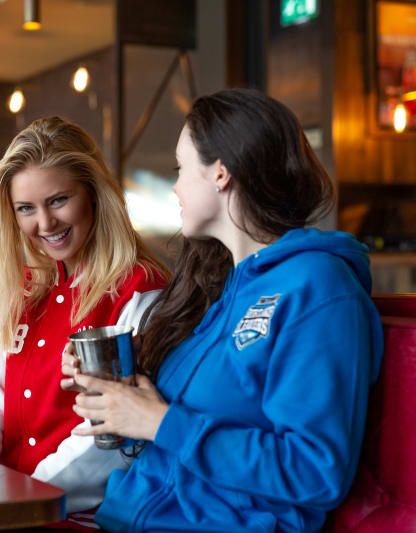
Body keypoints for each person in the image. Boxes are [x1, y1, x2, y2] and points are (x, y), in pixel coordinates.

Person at [66, 89, 385, 532]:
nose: (175, 185)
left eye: (180, 168)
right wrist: (121, 390)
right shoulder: (222, 286)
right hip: (129, 516)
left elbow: (315, 471)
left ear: (220, 172)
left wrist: (160, 422)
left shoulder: (318, 287)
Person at [0, 116, 168, 527]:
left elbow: (111, 441)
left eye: (57, 200)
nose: (45, 224)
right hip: (5, 509)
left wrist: (16, 502)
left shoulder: (140, 289)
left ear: (93, 194)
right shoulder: (16, 286)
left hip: (85, 516)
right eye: (26, 209)